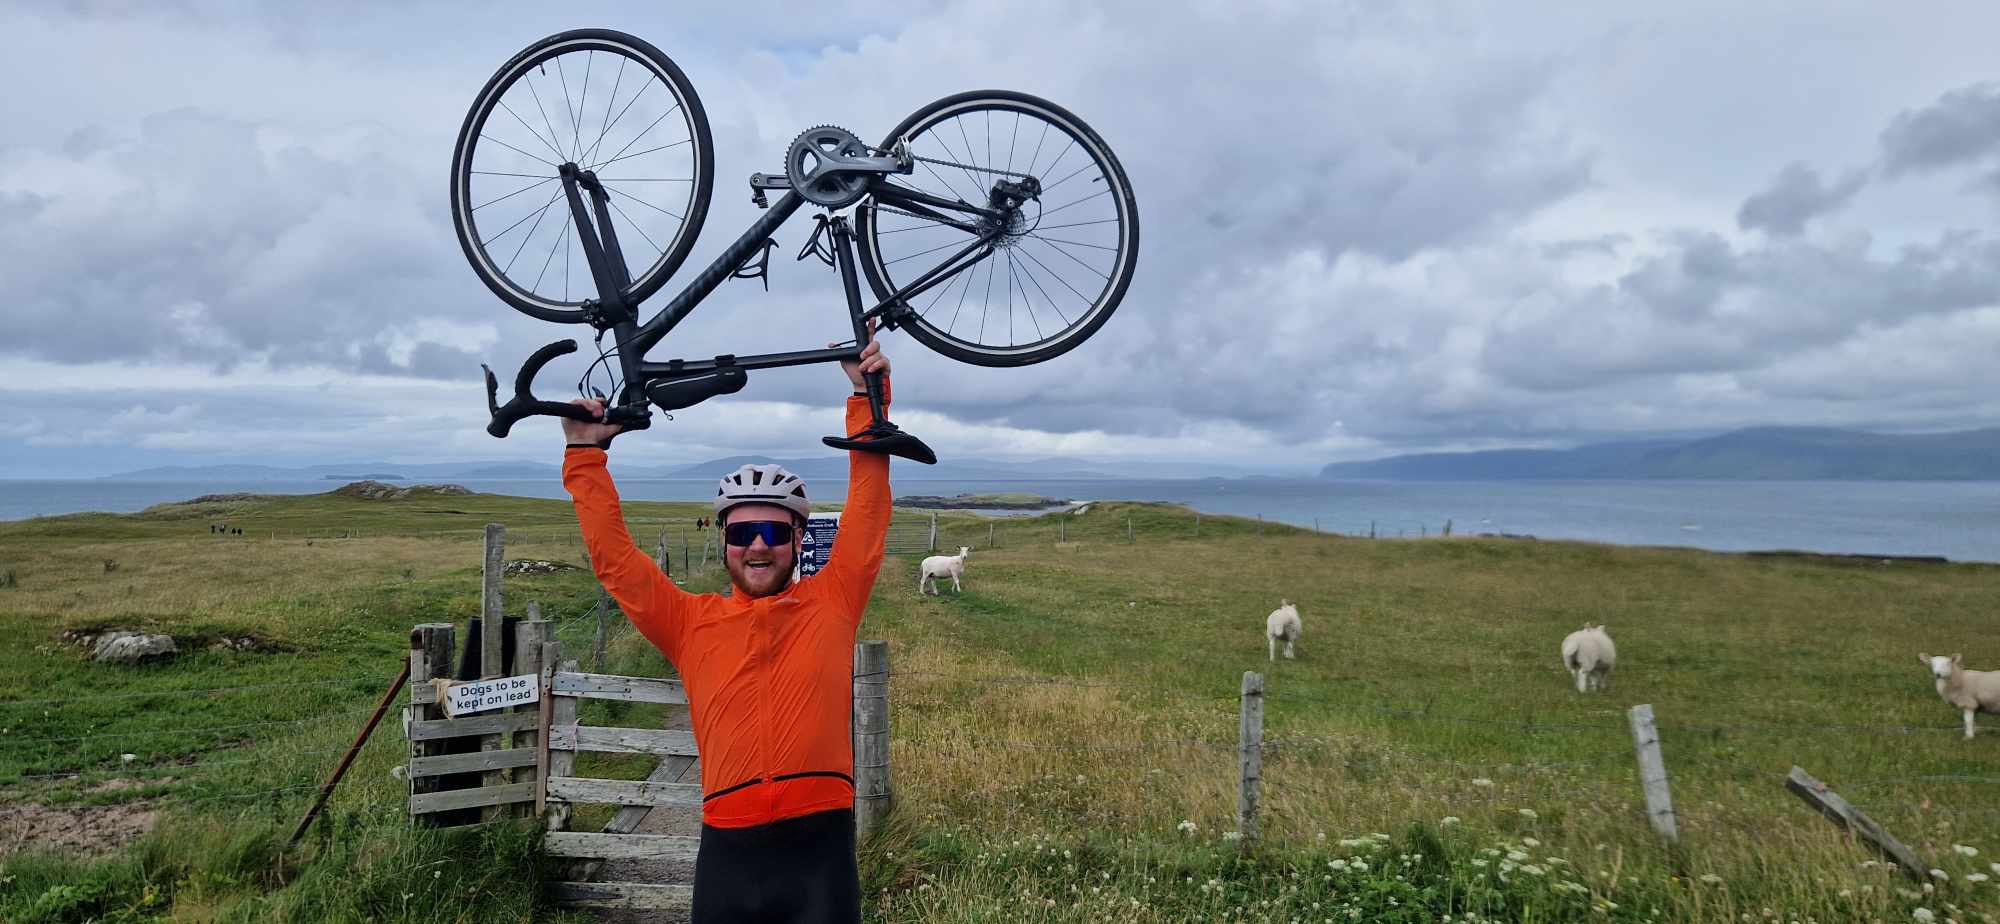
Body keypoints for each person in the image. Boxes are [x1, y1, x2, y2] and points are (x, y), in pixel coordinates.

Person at [559, 337, 892, 924]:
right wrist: (585, 457)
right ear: (724, 544)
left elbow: (868, 509)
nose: (757, 544)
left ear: (796, 539)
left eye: (771, 529)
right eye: (741, 533)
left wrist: (866, 396)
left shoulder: (833, 602)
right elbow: (617, 562)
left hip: (821, 855)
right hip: (728, 853)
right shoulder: (690, 624)